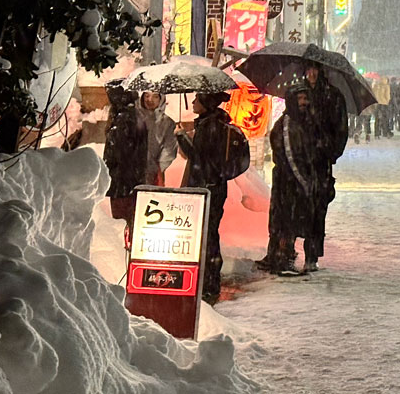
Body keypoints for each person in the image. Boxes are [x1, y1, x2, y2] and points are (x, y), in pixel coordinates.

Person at [175, 91, 246, 303]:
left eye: (197, 100)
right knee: (210, 234)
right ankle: (209, 279)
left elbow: (198, 158)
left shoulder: (209, 127)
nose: (194, 103)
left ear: (206, 104)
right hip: (215, 188)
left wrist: (180, 136)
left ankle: (208, 282)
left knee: (206, 236)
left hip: (206, 189)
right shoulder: (215, 123)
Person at [261, 86, 319, 275]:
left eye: (305, 98)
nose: (304, 102)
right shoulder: (287, 125)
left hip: (294, 183)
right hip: (288, 183)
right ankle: (281, 257)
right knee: (285, 220)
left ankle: (282, 254)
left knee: (290, 221)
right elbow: (291, 155)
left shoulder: (301, 122)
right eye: (300, 99)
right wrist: (304, 182)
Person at [302, 63, 349, 271]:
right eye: (308, 70)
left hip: (321, 162)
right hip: (300, 161)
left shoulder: (333, 96)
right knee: (302, 209)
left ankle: (312, 254)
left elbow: (341, 129)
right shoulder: (298, 93)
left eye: (315, 70)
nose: (311, 74)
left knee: (317, 208)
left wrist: (330, 152)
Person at [103, 82, 148, 250]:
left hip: (123, 181)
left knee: (123, 222)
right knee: (129, 221)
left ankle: (126, 256)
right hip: (131, 179)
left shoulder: (124, 119)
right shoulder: (134, 116)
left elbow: (117, 153)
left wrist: (109, 171)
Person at [136, 91, 178, 186]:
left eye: (155, 96)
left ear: (161, 99)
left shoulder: (167, 122)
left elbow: (169, 148)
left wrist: (158, 167)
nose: (150, 100)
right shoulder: (134, 119)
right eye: (147, 96)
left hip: (155, 172)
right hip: (134, 170)